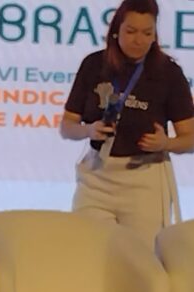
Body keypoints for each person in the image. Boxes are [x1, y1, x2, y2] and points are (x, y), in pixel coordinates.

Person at [60, 0, 194, 250]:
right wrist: (88, 130)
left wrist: (166, 143)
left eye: (147, 33)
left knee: (140, 260)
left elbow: (190, 139)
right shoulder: (94, 65)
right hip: (97, 177)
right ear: (116, 30)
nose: (139, 40)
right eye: (131, 31)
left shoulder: (168, 73)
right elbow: (67, 126)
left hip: (144, 182)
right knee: (87, 252)